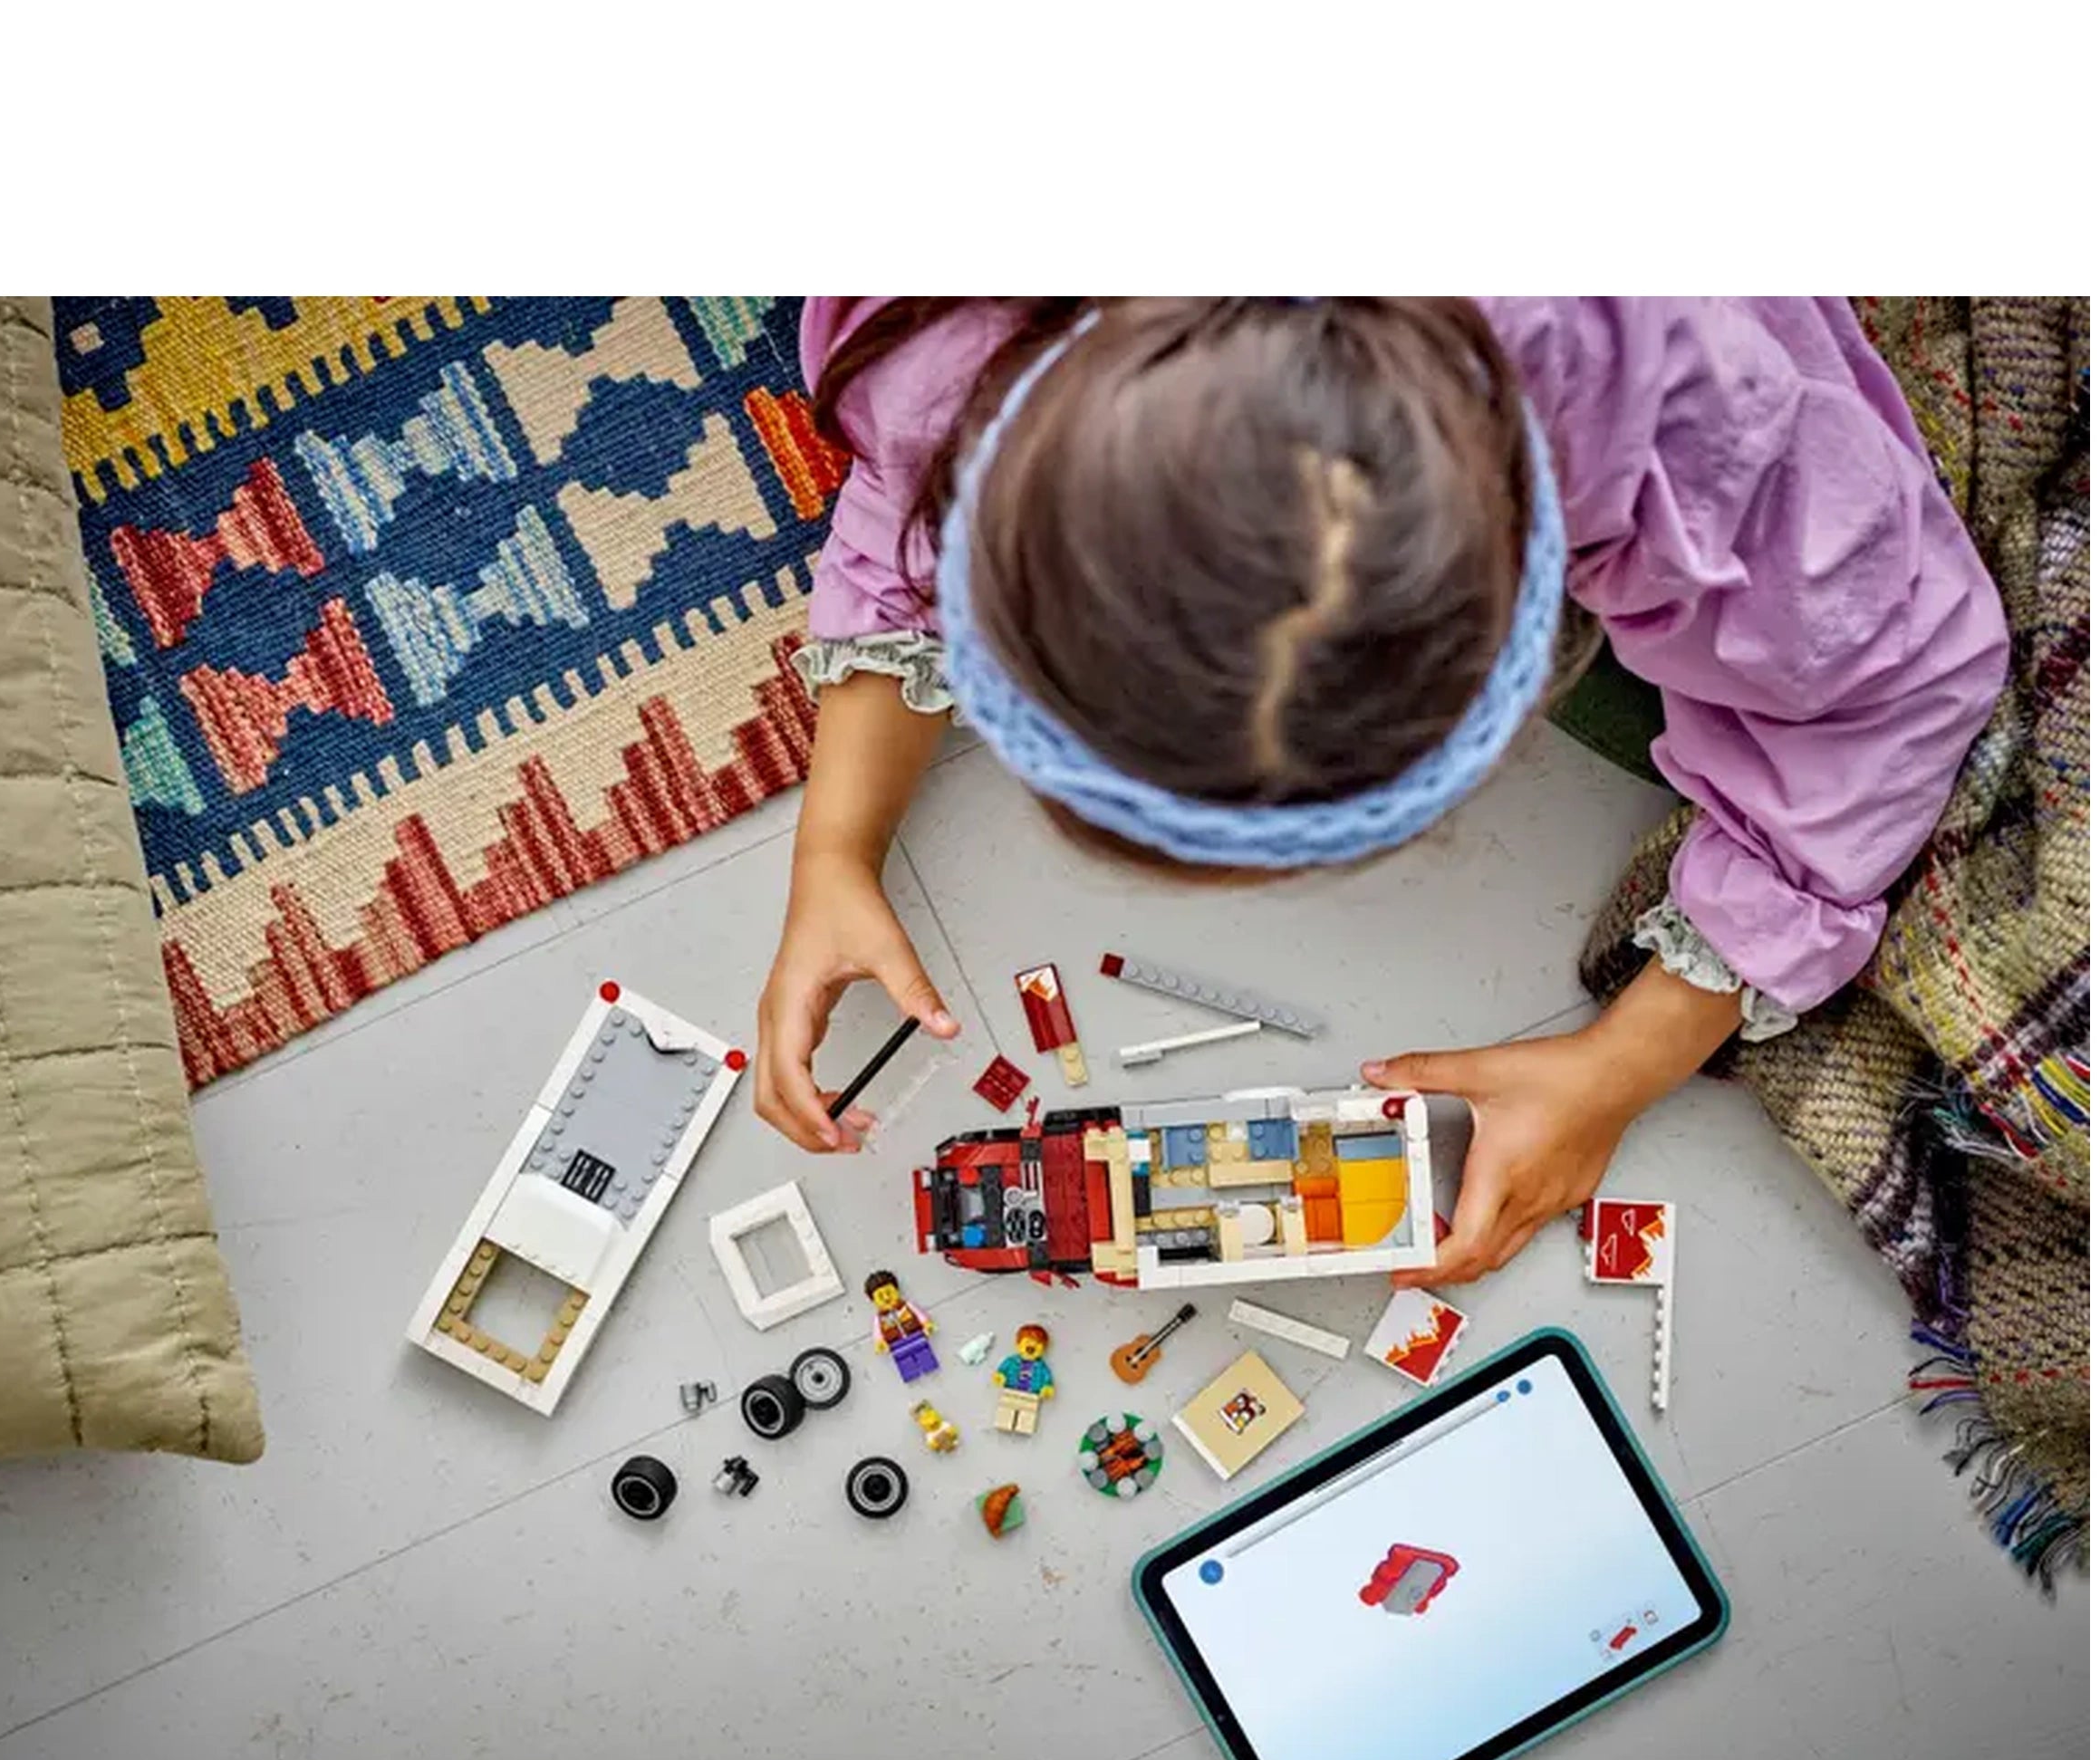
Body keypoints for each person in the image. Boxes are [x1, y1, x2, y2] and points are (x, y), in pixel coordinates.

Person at [755, 298, 2008, 1290]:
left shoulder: (1648, 387)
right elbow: (913, 501)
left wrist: (1633, 1056)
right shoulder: (935, 343)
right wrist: (836, 849)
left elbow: (1905, 678)